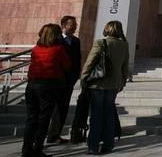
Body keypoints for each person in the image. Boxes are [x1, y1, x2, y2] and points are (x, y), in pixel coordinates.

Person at [80, 21, 129, 155]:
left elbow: (90, 62)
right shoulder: (124, 45)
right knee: (108, 115)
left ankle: (93, 146)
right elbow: (125, 67)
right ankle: (108, 144)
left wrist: (83, 78)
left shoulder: (101, 43)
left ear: (107, 29)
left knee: (96, 116)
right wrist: (123, 82)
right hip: (113, 85)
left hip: (98, 83)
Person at [22, 24, 71, 157]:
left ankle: (26, 150)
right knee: (44, 119)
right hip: (48, 86)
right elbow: (67, 65)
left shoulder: (36, 49)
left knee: (31, 118)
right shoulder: (58, 49)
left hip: (32, 85)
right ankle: (38, 149)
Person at [47, 16, 81, 144]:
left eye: (75, 24)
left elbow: (77, 60)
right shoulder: (56, 40)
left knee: (62, 108)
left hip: (68, 80)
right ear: (64, 25)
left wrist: (75, 75)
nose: (74, 26)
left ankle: (55, 134)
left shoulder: (76, 41)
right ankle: (42, 135)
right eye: (71, 24)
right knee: (50, 108)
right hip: (55, 79)